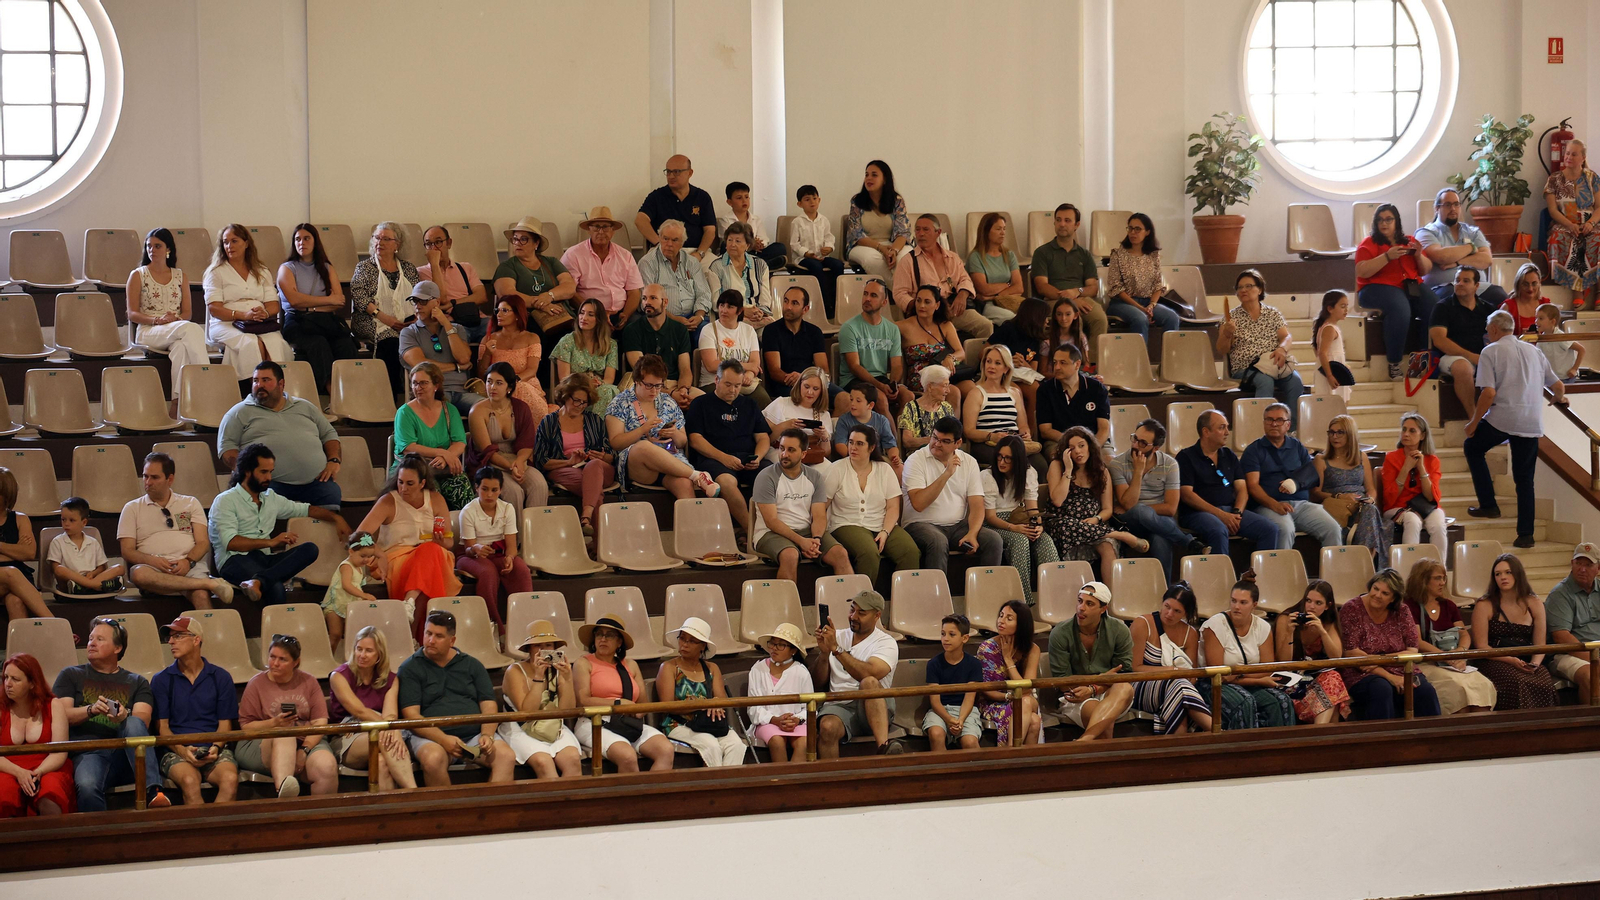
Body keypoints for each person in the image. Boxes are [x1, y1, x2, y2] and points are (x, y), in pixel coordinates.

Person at [1465, 310, 1567, 548]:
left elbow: (1488, 393)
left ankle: (1489, 505)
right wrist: (1558, 399)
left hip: (1502, 418)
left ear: (1493, 330)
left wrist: (1472, 423)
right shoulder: (1534, 350)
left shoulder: (1491, 351)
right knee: (1525, 481)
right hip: (1530, 422)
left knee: (1472, 446)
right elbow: (1558, 385)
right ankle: (1526, 535)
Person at [209, 442, 349, 606]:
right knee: (275, 587)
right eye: (263, 472)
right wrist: (271, 542)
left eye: (270, 472)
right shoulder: (225, 500)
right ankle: (276, 625)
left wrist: (337, 518)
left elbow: (306, 510)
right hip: (233, 561)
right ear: (247, 471)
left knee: (310, 549)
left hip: (264, 560)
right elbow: (232, 543)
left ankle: (258, 581)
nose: (269, 477)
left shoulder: (271, 497)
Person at [52, 617, 169, 810]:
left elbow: (143, 720)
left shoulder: (137, 681)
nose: (91, 643)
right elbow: (61, 716)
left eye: (100, 639)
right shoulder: (71, 675)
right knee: (87, 786)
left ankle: (152, 791)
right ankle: (98, 836)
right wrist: (91, 710)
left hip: (126, 754)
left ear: (117, 648)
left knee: (132, 722)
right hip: (89, 752)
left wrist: (124, 716)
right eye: (90, 638)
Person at [399, 610, 515, 786]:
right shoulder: (409, 668)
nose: (430, 640)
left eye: (438, 636)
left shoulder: (472, 664)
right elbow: (411, 715)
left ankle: (489, 812)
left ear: (452, 641)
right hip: (431, 738)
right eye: (428, 633)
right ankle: (448, 812)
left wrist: (487, 734)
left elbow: (489, 704)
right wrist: (443, 740)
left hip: (474, 735)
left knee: (506, 756)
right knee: (433, 759)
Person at [355, 456, 463, 637]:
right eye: (400, 482)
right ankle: (419, 635)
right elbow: (359, 538)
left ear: (422, 483)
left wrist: (440, 541)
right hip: (397, 558)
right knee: (429, 564)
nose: (403, 488)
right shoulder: (388, 501)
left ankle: (409, 606)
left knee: (430, 551)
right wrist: (379, 554)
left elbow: (449, 543)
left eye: (410, 483)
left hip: (433, 555)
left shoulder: (436, 499)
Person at [218, 360, 345, 509]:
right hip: (269, 485)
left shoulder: (305, 406)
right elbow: (227, 448)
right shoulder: (239, 412)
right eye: (255, 381)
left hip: (315, 483)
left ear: (281, 384)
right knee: (264, 503)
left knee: (332, 494)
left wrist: (334, 460)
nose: (259, 385)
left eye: (266, 380)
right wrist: (248, 473)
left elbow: (329, 434)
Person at [118, 453, 231, 610]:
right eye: (145, 476)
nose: (148, 482)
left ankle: (209, 632)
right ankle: (206, 583)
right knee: (138, 574)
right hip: (153, 570)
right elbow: (127, 551)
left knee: (201, 595)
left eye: (154, 477)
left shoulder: (190, 503)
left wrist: (187, 561)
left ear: (170, 479)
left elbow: (203, 542)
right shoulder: (131, 508)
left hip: (189, 566)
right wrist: (153, 560)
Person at [236, 634, 337, 798]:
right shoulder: (256, 684)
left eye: (282, 659)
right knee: (285, 734)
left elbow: (320, 722)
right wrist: (275, 722)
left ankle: (320, 820)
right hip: (260, 741)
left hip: (306, 740)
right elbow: (246, 726)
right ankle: (285, 798)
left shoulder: (309, 681)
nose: (274, 663)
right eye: (272, 657)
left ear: (295, 662)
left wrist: (304, 750)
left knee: (326, 767)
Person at [605, 354, 720, 498]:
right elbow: (616, 442)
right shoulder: (620, 403)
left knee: (684, 484)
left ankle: (691, 519)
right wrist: (642, 429)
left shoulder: (668, 401)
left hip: (671, 461)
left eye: (658, 386)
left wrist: (674, 433)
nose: (654, 391)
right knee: (643, 447)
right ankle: (697, 475)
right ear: (637, 381)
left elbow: (682, 442)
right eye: (649, 385)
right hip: (639, 464)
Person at [151, 616, 238, 804]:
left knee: (230, 780)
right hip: (176, 749)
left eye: (178, 636)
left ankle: (213, 831)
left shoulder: (221, 677)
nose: (171, 642)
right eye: (170, 637)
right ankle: (204, 831)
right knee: (190, 781)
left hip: (214, 746)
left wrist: (215, 748)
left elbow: (225, 725)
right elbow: (163, 729)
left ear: (196, 640)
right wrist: (183, 751)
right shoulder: (161, 680)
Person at [1337, 569, 1443, 720]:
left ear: (1393, 598)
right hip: (1362, 672)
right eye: (1376, 589)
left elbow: (1413, 651)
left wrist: (1378, 658)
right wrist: (1389, 676)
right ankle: (1384, 740)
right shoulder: (1352, 608)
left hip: (1400, 668)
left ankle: (1431, 740)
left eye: (1385, 593)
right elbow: (1351, 652)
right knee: (1381, 688)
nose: (1377, 595)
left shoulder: (1402, 610)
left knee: (1425, 691)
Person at [573, 616, 674, 772]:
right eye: (599, 634)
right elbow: (583, 700)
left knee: (665, 750)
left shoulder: (631, 665)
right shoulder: (584, 662)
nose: (603, 639)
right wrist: (618, 704)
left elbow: (643, 703)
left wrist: (639, 711)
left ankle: (649, 794)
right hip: (594, 722)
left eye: (609, 635)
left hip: (627, 722)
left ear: (619, 642)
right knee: (627, 756)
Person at [902, 416, 1003, 571]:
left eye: (945, 441)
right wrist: (946, 474)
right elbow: (918, 504)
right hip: (920, 523)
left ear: (958, 443)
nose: (937, 444)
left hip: (957, 526)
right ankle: (937, 594)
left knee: (993, 540)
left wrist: (972, 533)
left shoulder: (969, 462)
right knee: (938, 541)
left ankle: (985, 593)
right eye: (935, 437)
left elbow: (977, 505)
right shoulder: (915, 460)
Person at [1176, 410, 1282, 557]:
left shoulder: (1229, 455)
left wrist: (1236, 513)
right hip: (1198, 513)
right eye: (1221, 428)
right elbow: (1187, 494)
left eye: (1227, 427)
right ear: (1206, 432)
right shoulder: (1186, 456)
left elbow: (1242, 489)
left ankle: (1256, 577)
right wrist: (1221, 515)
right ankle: (1222, 578)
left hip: (1230, 510)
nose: (1227, 432)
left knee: (1270, 529)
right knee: (1219, 529)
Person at [825, 423, 919, 587]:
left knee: (910, 551)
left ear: (871, 447)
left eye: (859, 444)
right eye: (851, 442)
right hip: (847, 523)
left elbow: (893, 507)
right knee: (868, 552)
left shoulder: (884, 469)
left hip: (880, 523)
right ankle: (862, 606)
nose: (853, 447)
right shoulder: (837, 469)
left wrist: (885, 531)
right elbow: (821, 505)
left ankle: (904, 603)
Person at [809, 590, 901, 757]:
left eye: (861, 613)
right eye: (852, 610)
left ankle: (884, 748)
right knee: (827, 726)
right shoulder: (836, 637)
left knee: (869, 682)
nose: (853, 616)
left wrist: (836, 649)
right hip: (839, 705)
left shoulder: (886, 642)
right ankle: (834, 781)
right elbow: (816, 684)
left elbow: (868, 673)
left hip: (874, 705)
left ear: (877, 615)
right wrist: (823, 654)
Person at [1110, 418, 1204, 580]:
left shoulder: (1170, 464)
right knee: (1139, 510)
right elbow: (1127, 504)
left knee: (1160, 538)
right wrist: (1138, 472)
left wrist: (1142, 508)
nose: (1134, 445)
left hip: (1160, 522)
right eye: (1134, 438)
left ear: (1155, 448)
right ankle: (1187, 542)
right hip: (1129, 522)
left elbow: (1170, 508)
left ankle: (1164, 594)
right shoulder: (1117, 464)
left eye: (1142, 443)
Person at [1044, 426, 1147, 574]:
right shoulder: (1058, 466)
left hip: (1093, 524)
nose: (1078, 451)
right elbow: (1057, 501)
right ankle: (1120, 535)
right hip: (1062, 523)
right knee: (1066, 525)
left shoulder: (1101, 471)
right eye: (1072, 448)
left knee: (1108, 546)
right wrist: (1068, 470)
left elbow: (1107, 509)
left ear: (1089, 447)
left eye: (1081, 446)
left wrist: (1096, 519)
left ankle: (1110, 596)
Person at [753, 428, 852, 582]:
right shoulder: (766, 477)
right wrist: (802, 542)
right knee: (790, 555)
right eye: (782, 448)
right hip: (769, 533)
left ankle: (851, 604)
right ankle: (787, 606)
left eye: (791, 450)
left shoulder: (815, 477)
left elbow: (819, 516)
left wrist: (816, 539)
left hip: (806, 532)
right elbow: (771, 521)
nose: (784, 454)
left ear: (803, 454)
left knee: (840, 554)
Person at [1242, 402, 1343, 549]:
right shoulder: (1254, 450)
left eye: (1280, 420)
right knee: (1285, 529)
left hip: (1300, 505)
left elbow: (1311, 475)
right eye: (1269, 420)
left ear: (1288, 425)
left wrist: (1295, 484)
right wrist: (1275, 505)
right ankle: (1283, 571)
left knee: (1333, 528)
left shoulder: (1297, 446)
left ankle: (1332, 571)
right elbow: (1252, 485)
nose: (1274, 424)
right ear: (1264, 423)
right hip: (1267, 505)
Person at [328, 626, 416, 791]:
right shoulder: (339, 676)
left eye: (368, 651)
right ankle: (414, 792)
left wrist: (390, 726)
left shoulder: (390, 679)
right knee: (384, 737)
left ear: (379, 654)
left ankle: (390, 812)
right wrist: (392, 729)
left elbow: (390, 713)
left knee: (382, 762)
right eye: (359, 649)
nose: (362, 655)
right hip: (347, 734)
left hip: (379, 731)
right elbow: (359, 711)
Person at [1402, 561, 1497, 714]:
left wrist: (1460, 652)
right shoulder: (1410, 607)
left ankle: (1480, 733)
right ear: (1423, 580)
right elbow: (1417, 641)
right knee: (1457, 688)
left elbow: (1463, 633)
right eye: (1437, 578)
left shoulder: (1449, 605)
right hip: (1428, 663)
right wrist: (1446, 657)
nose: (1442, 583)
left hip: (1452, 660)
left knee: (1481, 684)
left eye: (1444, 578)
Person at [687, 359, 771, 531]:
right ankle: (752, 533)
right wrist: (723, 458)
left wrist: (758, 457)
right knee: (726, 482)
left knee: (771, 476)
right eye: (728, 384)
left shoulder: (749, 404)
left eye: (737, 385)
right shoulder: (700, 404)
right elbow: (695, 439)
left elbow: (763, 437)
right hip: (714, 458)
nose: (733, 390)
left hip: (748, 458)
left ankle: (775, 526)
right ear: (716, 381)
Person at [126, 228, 207, 402]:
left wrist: (174, 320)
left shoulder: (180, 276)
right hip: (148, 331)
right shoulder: (138, 275)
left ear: (168, 249)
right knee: (190, 329)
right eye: (149, 246)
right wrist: (157, 320)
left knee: (181, 349)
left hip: (175, 328)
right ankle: (206, 382)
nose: (152, 250)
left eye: (157, 246)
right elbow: (132, 314)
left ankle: (177, 405)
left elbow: (187, 313)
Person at [1354, 203, 1434, 380]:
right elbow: (1362, 271)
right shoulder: (1368, 244)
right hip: (1374, 289)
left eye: (1389, 219)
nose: (1384, 223)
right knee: (1400, 307)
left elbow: (1426, 270)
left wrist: (1418, 256)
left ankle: (1423, 358)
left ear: (1396, 221)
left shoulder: (1409, 241)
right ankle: (1394, 363)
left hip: (1409, 286)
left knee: (1434, 306)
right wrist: (1387, 256)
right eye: (1380, 220)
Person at [1199, 581, 1294, 729]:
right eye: (1233, 601)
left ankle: (1280, 749)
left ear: (1254, 605)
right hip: (1215, 685)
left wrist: (1237, 674)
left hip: (1245, 680)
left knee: (1281, 700)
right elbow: (1219, 675)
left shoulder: (1263, 626)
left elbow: (1267, 668)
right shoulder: (1215, 625)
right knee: (1245, 702)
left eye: (1243, 602)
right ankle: (1245, 750)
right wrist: (1258, 680)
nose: (1236, 606)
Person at [1046, 581, 1134, 741]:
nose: (1081, 608)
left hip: (1112, 694)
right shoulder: (1060, 633)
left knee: (1124, 687)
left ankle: (1083, 741)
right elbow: (1062, 681)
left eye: (1089, 604)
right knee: (1103, 720)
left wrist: (1094, 688)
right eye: (1080, 601)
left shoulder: (1120, 630)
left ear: (1103, 609)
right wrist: (1099, 681)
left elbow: (1123, 674)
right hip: (1075, 696)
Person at [204, 224, 290, 383]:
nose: (229, 246)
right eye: (225, 242)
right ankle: (257, 389)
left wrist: (263, 313)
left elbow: (273, 305)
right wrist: (243, 315)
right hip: (226, 323)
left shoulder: (261, 270)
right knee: (251, 343)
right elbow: (214, 308)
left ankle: (277, 389)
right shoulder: (215, 272)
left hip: (258, 321)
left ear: (246, 243)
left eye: (234, 241)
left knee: (275, 343)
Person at [655, 617, 746, 767]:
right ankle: (712, 788)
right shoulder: (669, 667)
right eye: (682, 638)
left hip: (708, 722)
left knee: (736, 744)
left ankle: (728, 787)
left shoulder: (712, 668)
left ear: (702, 646)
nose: (684, 644)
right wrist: (704, 704)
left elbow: (721, 701)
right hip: (678, 724)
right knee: (710, 745)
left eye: (691, 641)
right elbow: (667, 705)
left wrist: (715, 705)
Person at [277, 223, 356, 394]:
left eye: (306, 238)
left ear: (315, 242)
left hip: (324, 321)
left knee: (345, 344)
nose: (301, 243)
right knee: (318, 344)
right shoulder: (287, 268)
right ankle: (332, 393)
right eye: (297, 239)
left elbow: (339, 301)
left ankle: (350, 393)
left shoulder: (327, 268)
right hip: (296, 322)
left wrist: (310, 306)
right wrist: (325, 301)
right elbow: (294, 301)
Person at [1472, 554, 1559, 709]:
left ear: (1518, 574)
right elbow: (1482, 646)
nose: (1502, 577)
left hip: (1526, 658)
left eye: (1508, 572)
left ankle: (1545, 730)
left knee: (1545, 683)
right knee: (1518, 682)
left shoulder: (1534, 602)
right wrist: (1510, 660)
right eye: (1498, 574)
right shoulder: (1485, 604)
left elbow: (1540, 645)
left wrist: (1534, 664)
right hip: (1495, 659)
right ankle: (1518, 729)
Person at [534, 374, 618, 535]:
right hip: (566, 468)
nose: (580, 405)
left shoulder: (594, 420)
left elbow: (611, 454)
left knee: (593, 469)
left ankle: (586, 515)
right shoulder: (549, 422)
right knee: (593, 488)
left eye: (584, 402)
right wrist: (568, 462)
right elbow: (541, 461)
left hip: (598, 468)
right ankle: (599, 543)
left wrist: (601, 456)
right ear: (565, 396)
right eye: (576, 400)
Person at [499, 620, 583, 779]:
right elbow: (527, 712)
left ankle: (570, 803)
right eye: (538, 646)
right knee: (544, 763)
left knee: (573, 760)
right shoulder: (515, 671)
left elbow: (568, 711)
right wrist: (538, 677)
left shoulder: (558, 670)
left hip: (551, 724)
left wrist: (567, 679)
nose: (544, 650)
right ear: (530, 649)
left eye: (549, 645)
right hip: (520, 727)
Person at [981, 435, 1059, 604]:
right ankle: (1023, 601)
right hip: (995, 523)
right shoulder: (987, 476)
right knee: (1019, 541)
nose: (1002, 462)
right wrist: (1012, 528)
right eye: (1000, 457)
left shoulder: (1029, 473)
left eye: (1008, 458)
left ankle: (1056, 600)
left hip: (1019, 518)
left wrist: (1038, 526)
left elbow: (1032, 509)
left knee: (1045, 541)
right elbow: (990, 517)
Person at [1217, 268, 1302, 423]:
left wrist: (1282, 349)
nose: (1243, 290)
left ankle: (1291, 429)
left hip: (1272, 363)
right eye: (1240, 287)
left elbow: (1286, 336)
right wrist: (1227, 334)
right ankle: (1261, 428)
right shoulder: (1231, 318)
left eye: (1248, 286)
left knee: (1295, 380)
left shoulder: (1272, 314)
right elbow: (1221, 349)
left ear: (1260, 289)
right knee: (1265, 380)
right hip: (1245, 368)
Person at [465, 362, 550, 513]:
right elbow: (487, 451)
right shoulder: (477, 411)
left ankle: (534, 533)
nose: (492, 387)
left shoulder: (521, 408)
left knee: (539, 484)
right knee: (513, 491)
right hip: (489, 463)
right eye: (489, 382)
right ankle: (515, 535)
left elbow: (527, 443)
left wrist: (518, 462)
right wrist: (510, 467)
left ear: (509, 387)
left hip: (517, 460)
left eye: (499, 383)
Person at [892, 214, 993, 340]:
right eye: (918, 229)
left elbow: (965, 279)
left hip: (954, 310)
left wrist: (963, 295)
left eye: (925, 229)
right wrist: (921, 305)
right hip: (926, 316)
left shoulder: (952, 258)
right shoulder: (908, 261)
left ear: (938, 232)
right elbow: (899, 293)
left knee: (986, 326)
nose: (921, 233)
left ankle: (982, 359)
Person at [1128, 584, 1212, 733]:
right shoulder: (1142, 624)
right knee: (1178, 684)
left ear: (1185, 613)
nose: (1169, 613)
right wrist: (1172, 671)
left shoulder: (1191, 634)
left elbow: (1192, 673)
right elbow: (1135, 668)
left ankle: (1179, 750)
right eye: (1167, 606)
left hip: (1176, 689)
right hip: (1141, 686)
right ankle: (1216, 731)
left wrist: (1182, 677)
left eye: (1177, 611)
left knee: (1179, 691)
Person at [351, 222, 421, 394]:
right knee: (391, 342)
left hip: (407, 322)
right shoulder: (364, 267)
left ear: (397, 244)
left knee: (423, 340)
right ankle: (390, 395)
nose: (379, 243)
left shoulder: (408, 268)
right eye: (377, 237)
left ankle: (419, 392)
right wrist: (384, 318)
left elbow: (418, 297)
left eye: (386, 239)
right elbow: (359, 296)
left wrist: (415, 319)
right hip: (371, 320)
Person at [455, 466, 532, 623]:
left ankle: (524, 622)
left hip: (498, 553)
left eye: (494, 490)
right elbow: (468, 548)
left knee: (521, 568)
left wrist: (510, 557)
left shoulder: (507, 509)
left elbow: (511, 545)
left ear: (500, 490)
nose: (489, 494)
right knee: (487, 572)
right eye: (484, 489)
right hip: (471, 557)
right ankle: (491, 622)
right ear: (476, 488)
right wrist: (476, 549)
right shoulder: (468, 511)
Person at [1032, 204, 1106, 364]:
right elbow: (1042, 286)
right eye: (1058, 220)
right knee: (1073, 318)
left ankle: (1091, 365)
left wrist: (1078, 292)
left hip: (1080, 298)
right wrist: (1070, 302)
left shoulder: (1084, 255)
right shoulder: (1042, 253)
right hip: (1053, 300)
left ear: (1077, 225)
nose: (1062, 224)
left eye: (1067, 220)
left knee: (1100, 318)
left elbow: (1092, 287)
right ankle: (1070, 366)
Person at [0, 653, 72, 816]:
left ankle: (53, 840)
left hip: (48, 765)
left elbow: (60, 751)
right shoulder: (1, 707)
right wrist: (19, 772)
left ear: (32, 683)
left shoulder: (54, 705)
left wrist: (38, 772)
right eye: (5, 677)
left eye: (15, 679)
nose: (7, 684)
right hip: (7, 767)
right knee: (4, 796)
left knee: (51, 796)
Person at [393, 362, 472, 509]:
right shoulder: (404, 413)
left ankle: (463, 530)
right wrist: (441, 452)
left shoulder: (450, 410)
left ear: (436, 386)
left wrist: (444, 457)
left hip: (443, 467)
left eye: (423, 383)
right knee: (432, 491)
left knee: (462, 487)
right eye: (414, 383)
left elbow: (460, 442)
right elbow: (409, 447)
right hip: (414, 470)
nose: (418, 388)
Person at [1273, 581, 1352, 724]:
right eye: (1308, 600)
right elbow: (1283, 662)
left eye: (1318, 603)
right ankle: (1320, 739)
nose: (1311, 606)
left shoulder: (1328, 623)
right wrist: (1290, 633)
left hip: (1315, 679)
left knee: (1333, 678)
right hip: (1292, 681)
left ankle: (1318, 736)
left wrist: (1322, 631)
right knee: (1332, 700)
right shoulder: (1286, 618)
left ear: (1327, 606)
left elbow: (1336, 657)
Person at [400, 281, 481, 418]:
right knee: (444, 411)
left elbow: (463, 358)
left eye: (423, 301)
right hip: (433, 393)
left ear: (436, 302)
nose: (418, 306)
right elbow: (421, 366)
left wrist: (446, 324)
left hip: (462, 392)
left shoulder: (457, 328)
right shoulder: (408, 333)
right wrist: (457, 367)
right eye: (415, 301)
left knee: (487, 408)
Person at [1313, 413, 1387, 563]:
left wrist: (1370, 499)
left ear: (1350, 434)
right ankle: (1364, 564)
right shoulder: (1321, 459)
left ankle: (1364, 562)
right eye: (1331, 432)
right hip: (1336, 504)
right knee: (1370, 515)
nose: (1335, 436)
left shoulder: (1361, 457)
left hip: (1360, 504)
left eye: (1340, 432)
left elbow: (1371, 488)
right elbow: (1315, 493)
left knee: (1370, 510)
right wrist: (1339, 496)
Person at [1416, 188, 1509, 306]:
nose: (1453, 209)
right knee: (1455, 300)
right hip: (1445, 287)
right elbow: (1442, 256)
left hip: (1479, 287)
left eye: (1456, 204)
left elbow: (1486, 260)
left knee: (1500, 296)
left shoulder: (1473, 232)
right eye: (1448, 205)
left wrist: (1457, 262)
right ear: (1437, 208)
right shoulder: (1426, 232)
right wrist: (1471, 248)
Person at [492, 217, 577, 343]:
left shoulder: (551, 262)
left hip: (560, 316)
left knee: (586, 330)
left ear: (536, 243)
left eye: (524, 239)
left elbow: (569, 286)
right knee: (550, 337)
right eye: (515, 239)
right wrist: (540, 303)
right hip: (527, 317)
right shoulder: (507, 266)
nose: (517, 243)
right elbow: (507, 294)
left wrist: (549, 296)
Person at [839, 277, 913, 415]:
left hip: (880, 379)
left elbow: (896, 365)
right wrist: (879, 386)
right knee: (880, 398)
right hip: (854, 380)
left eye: (873, 295)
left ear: (884, 302)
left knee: (908, 397)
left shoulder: (892, 329)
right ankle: (892, 437)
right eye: (865, 294)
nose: (867, 298)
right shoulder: (849, 327)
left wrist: (893, 385)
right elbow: (854, 367)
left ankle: (902, 434)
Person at [1429, 267, 1496, 418]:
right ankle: (1474, 418)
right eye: (1457, 280)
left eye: (1466, 281)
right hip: (1451, 357)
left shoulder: (1488, 309)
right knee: (1463, 367)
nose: (1459, 284)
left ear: (1476, 286)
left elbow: (1499, 337)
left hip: (1483, 356)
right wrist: (1472, 356)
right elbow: (1439, 340)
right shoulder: (1442, 307)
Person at [1103, 213, 1180, 340]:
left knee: (1172, 317)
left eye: (1137, 229)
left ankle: (1170, 357)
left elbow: (1157, 286)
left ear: (1147, 232)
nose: (1133, 232)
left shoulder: (1153, 256)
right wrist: (1140, 308)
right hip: (1122, 303)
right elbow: (1116, 288)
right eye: (1130, 228)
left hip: (1147, 302)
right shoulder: (1118, 254)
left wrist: (1151, 306)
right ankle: (1140, 359)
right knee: (1140, 318)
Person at [563, 206, 644, 325]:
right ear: (589, 230)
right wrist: (595, 313)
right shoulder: (573, 254)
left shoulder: (625, 255)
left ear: (613, 231)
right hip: (588, 314)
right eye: (596, 227)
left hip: (621, 313)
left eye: (605, 227)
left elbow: (634, 292)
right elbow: (570, 292)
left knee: (640, 327)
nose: (601, 232)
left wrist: (625, 315)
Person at [1381, 412, 1447, 558]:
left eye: (1412, 431)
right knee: (1413, 520)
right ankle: (1409, 569)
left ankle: (1439, 571)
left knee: (1438, 524)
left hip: (1424, 506)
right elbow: (1389, 497)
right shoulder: (1391, 458)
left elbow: (1431, 497)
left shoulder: (1432, 460)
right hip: (1397, 506)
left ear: (1422, 435)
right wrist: (1405, 468)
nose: (1406, 434)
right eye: (1404, 429)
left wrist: (1422, 468)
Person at [976, 601, 1042, 744]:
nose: (1001, 621)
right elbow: (987, 690)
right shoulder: (987, 648)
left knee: (1025, 703)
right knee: (1034, 720)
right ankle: (1013, 754)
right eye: (1001, 616)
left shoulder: (1032, 649)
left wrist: (1008, 661)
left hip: (1022, 700)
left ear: (1022, 624)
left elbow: (1026, 689)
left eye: (1009, 618)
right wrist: (1009, 696)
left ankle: (1014, 756)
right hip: (994, 702)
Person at [1544, 138, 1599, 307]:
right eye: (1567, 153)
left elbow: (1599, 207)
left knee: (1597, 238)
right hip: (1564, 223)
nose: (1568, 157)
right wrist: (1570, 225)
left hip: (1590, 222)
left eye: (1574, 154)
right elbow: (1553, 210)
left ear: (1582, 157)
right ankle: (1578, 290)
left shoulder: (1592, 178)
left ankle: (1598, 290)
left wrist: (1591, 223)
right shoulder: (1554, 179)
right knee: (1561, 238)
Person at [620, 283, 696, 406]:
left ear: (665, 302)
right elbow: (642, 372)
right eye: (644, 298)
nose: (647, 302)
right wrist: (670, 394)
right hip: (644, 387)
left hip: (675, 385)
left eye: (653, 298)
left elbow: (685, 369)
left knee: (703, 402)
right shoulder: (632, 330)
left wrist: (683, 390)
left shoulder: (680, 329)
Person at [963, 344, 1038, 468]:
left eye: (997, 363)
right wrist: (992, 436)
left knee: (1039, 463)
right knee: (1010, 459)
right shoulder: (976, 394)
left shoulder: (1014, 393)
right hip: (987, 443)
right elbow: (969, 431)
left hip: (1013, 441)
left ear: (1006, 369)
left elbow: (1023, 425)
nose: (991, 366)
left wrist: (1025, 433)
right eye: (989, 361)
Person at [747, 623, 813, 763]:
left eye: (781, 645)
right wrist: (775, 720)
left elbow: (810, 707)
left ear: (793, 650)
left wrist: (796, 719)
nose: (774, 648)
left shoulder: (801, 672)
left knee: (804, 742)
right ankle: (783, 782)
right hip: (766, 724)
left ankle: (793, 782)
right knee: (777, 741)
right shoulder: (757, 669)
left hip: (796, 724)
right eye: (772, 644)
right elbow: (753, 708)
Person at [477, 294, 549, 417]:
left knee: (522, 388)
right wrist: (488, 354)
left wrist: (513, 381)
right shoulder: (488, 339)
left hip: (526, 383)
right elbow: (480, 374)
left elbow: (532, 370)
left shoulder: (531, 338)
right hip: (498, 387)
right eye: (497, 310)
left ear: (517, 314)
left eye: (504, 310)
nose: (498, 314)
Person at [1546, 543, 1600, 704]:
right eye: (1579, 563)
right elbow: (1561, 637)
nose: (1582, 569)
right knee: (1593, 675)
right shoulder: (1560, 594)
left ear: (1598, 568)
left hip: (1596, 650)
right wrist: (1595, 659)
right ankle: (1591, 726)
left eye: (1588, 565)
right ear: (1572, 564)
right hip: (1568, 653)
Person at [637, 221, 714, 334]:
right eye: (665, 239)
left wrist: (699, 316)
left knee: (707, 334)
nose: (669, 244)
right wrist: (675, 319)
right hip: (662, 319)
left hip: (694, 318)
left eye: (674, 240)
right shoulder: (647, 263)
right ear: (659, 238)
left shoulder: (692, 262)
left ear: (682, 243)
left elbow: (704, 293)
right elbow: (647, 301)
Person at [1036, 342, 1109, 458]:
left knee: (1110, 460)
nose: (1057, 367)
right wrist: (1073, 444)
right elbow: (1045, 431)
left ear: (1077, 364)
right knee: (1057, 458)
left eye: (1063, 363)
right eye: (1055, 363)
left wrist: (1091, 447)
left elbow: (1104, 428)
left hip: (1093, 440)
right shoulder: (1045, 390)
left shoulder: (1097, 389)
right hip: (1059, 441)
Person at [417, 225, 490, 342]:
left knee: (501, 334)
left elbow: (481, 297)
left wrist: (452, 303)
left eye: (438, 242)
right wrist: (435, 265)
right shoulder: (421, 272)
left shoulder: (465, 268)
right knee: (457, 339)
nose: (434, 248)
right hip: (449, 322)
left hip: (475, 318)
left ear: (449, 243)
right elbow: (441, 299)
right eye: (429, 244)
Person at [698, 289, 768, 407]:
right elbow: (711, 365)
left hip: (744, 382)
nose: (724, 310)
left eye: (730, 306)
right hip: (714, 382)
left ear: (740, 310)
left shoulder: (749, 330)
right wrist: (746, 366)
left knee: (765, 402)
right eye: (721, 305)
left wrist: (750, 374)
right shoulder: (708, 330)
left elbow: (755, 363)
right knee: (741, 404)